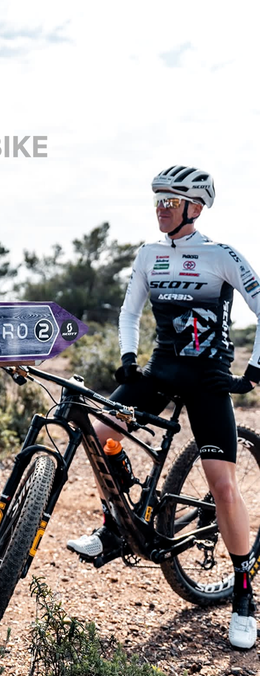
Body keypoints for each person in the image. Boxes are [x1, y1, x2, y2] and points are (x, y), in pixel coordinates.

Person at [66, 165, 260, 650]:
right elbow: (129, 312)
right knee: (96, 430)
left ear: (195, 207)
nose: (161, 210)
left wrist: (251, 374)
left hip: (208, 379)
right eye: (157, 202)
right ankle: (116, 525)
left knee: (223, 488)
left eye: (170, 202)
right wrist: (128, 358)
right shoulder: (149, 255)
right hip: (161, 371)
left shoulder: (221, 255)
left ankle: (243, 594)